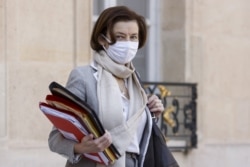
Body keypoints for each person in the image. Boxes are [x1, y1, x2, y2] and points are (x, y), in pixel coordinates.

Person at [48, 6, 164, 167]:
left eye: (134, 37)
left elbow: (135, 135)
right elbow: (55, 138)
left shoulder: (134, 81)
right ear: (102, 39)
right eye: (121, 37)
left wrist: (153, 115)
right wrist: (81, 147)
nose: (128, 44)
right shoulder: (84, 77)